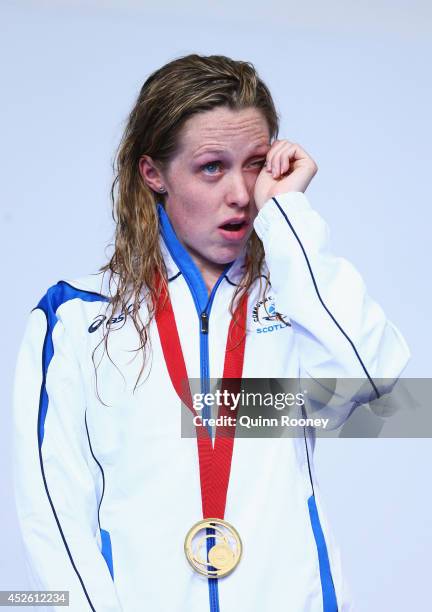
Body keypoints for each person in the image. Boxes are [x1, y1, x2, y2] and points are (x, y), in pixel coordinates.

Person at [12, 54, 410, 612]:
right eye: (211, 168)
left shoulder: (299, 298)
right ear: (153, 173)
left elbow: (375, 384)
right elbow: (53, 518)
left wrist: (290, 218)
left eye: (254, 164)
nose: (243, 195)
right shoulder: (77, 317)